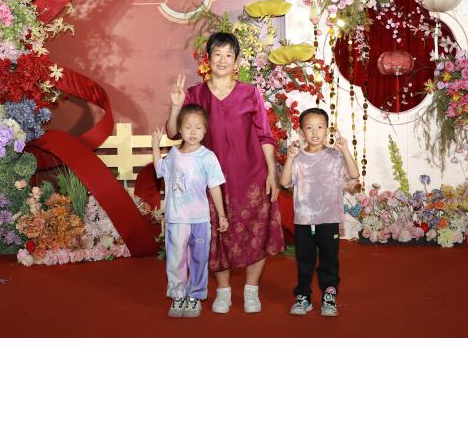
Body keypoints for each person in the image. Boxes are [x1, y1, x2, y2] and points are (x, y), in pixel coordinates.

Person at [166, 32, 284, 314]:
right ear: (208, 58)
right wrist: (176, 106)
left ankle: (252, 290)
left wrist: (272, 173)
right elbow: (173, 133)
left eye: (228, 55)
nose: (222, 60)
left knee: (256, 230)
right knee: (216, 236)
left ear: (236, 61)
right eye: (217, 54)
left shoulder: (250, 93)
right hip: (208, 182)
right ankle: (223, 291)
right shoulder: (195, 94)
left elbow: (265, 136)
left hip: (251, 177)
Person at [279, 107, 359, 316]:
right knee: (304, 260)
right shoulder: (298, 158)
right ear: (301, 131)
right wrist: (290, 158)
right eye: (309, 128)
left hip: (329, 219)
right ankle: (303, 296)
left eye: (320, 127)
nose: (315, 132)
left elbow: (354, 175)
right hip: (304, 219)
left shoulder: (335, 156)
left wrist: (345, 150)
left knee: (329, 260)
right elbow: (285, 182)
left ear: (327, 130)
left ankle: (329, 296)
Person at [153, 104, 228, 318]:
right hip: (177, 219)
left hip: (200, 219)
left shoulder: (208, 157)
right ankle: (178, 295)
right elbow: (160, 170)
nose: (193, 132)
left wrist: (222, 215)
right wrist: (156, 147)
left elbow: (215, 187)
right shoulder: (174, 155)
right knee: (176, 259)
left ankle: (195, 295)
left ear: (205, 131)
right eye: (188, 127)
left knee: (199, 258)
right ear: (180, 129)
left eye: (198, 127)